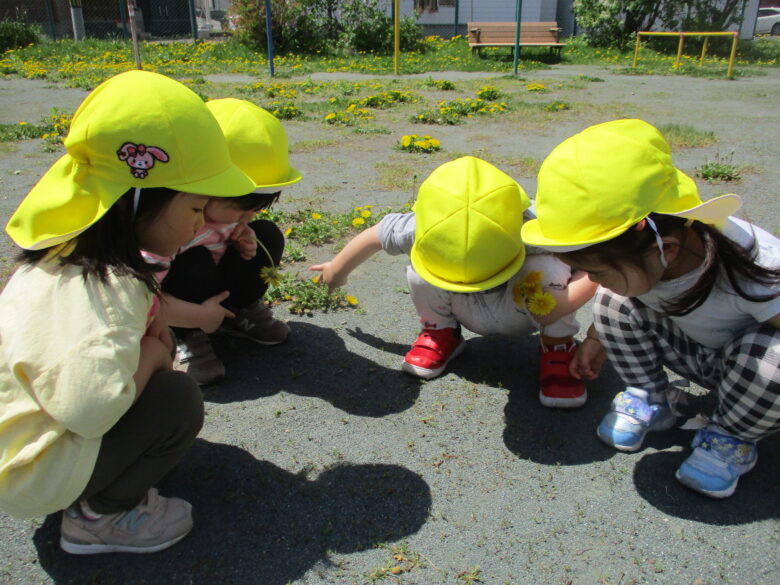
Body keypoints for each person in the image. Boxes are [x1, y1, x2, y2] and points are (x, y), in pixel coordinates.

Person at [0, 70, 256, 554]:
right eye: (196, 208)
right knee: (175, 400)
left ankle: (95, 482)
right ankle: (100, 518)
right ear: (139, 203)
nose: (202, 222)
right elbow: (90, 409)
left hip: (17, 445)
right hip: (33, 473)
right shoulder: (110, 288)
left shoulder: (63, 258)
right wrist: (155, 359)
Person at [521, 118, 780, 498]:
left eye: (596, 270)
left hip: (749, 372)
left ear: (666, 248)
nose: (589, 279)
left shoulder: (755, 267)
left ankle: (731, 435)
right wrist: (597, 336)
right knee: (615, 297)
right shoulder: (650, 259)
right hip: (698, 350)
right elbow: (621, 289)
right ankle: (651, 397)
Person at [311, 156, 597, 407]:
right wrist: (337, 270)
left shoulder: (536, 225)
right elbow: (376, 236)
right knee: (421, 266)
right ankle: (440, 331)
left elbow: (595, 257)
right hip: (462, 303)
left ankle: (558, 345)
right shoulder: (429, 225)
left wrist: (584, 285)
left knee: (547, 266)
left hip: (523, 304)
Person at [145, 99, 303, 386]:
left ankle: (239, 314)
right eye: (241, 208)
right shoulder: (170, 226)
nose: (247, 216)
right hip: (180, 305)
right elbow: (145, 298)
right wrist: (198, 317)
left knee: (267, 234)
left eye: (255, 208)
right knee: (193, 261)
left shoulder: (228, 215)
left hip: (216, 291)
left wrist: (246, 241)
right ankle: (186, 337)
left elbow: (237, 229)